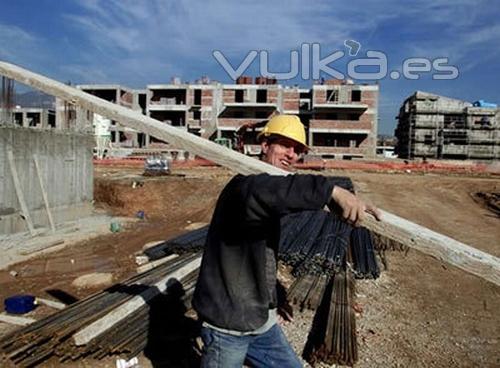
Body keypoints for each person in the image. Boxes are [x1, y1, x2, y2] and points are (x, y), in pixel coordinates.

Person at [192, 115, 381, 367]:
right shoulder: (246, 187)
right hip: (228, 327)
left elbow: (263, 255)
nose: (292, 154)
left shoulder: (268, 193)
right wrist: (330, 191)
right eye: (284, 145)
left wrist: (273, 299)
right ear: (265, 145)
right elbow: (279, 190)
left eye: (298, 150)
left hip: (261, 321)